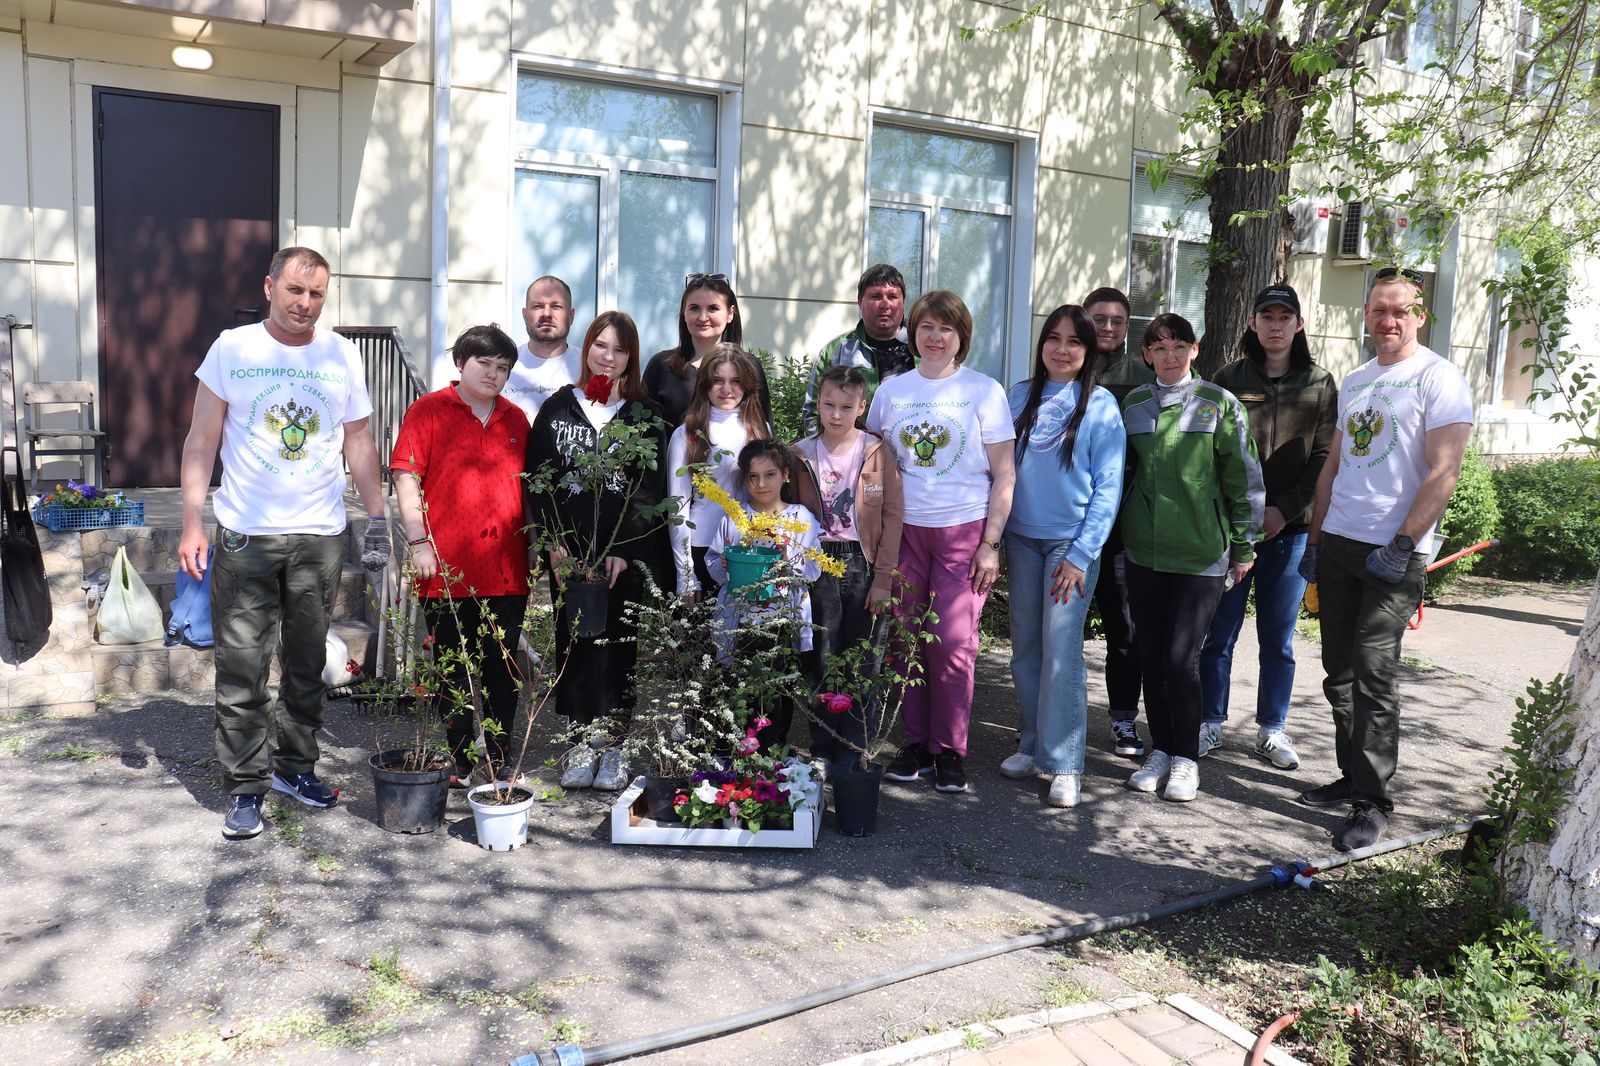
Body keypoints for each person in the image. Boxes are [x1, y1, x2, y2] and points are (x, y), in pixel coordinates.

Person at [177, 246, 389, 840]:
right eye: (295, 290)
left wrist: (376, 518)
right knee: (242, 665)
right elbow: (200, 440)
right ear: (269, 286)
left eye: (316, 294)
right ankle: (245, 788)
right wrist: (193, 521)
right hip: (246, 532)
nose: (304, 303)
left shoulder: (341, 354)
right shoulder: (233, 348)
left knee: (305, 664)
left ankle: (294, 769)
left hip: (320, 535)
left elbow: (361, 442)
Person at [1301, 267, 1473, 851]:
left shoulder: (1440, 377)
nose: (1388, 320)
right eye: (1379, 310)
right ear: (1367, 314)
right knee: (1339, 673)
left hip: (1395, 550)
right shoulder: (1356, 380)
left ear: (1420, 314)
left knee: (1374, 672)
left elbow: (1444, 470)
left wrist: (1403, 544)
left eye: (1400, 310)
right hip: (1341, 543)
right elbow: (1335, 466)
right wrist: (1315, 539)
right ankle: (1353, 775)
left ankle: (1372, 801)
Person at [867, 290, 1016, 795]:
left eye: (945, 329)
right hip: (904, 534)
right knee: (905, 641)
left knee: (953, 644)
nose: (934, 337)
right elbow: (872, 469)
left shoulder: (984, 391)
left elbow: (1004, 475)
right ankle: (915, 746)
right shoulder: (892, 392)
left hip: (963, 533)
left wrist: (990, 543)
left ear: (961, 338)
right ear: (912, 333)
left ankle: (949, 751)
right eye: (926, 326)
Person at [1119, 313, 1263, 803]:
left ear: (1195, 349)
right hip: (1145, 552)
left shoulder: (1219, 404)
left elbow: (1242, 479)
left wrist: (1244, 545)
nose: (1169, 356)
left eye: (1178, 346)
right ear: (1146, 355)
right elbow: (1122, 473)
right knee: (1153, 656)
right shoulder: (1134, 405)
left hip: (1202, 553)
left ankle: (1186, 758)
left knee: (1182, 660)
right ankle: (1160, 748)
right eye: (1159, 348)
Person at [526, 311, 670, 791]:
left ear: (632, 357)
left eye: (619, 349)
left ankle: (615, 748)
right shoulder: (558, 409)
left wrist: (627, 548)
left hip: (620, 555)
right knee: (575, 642)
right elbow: (537, 483)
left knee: (618, 647)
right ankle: (579, 743)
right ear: (586, 348)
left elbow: (650, 491)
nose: (608, 357)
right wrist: (551, 544)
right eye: (600, 346)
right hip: (570, 555)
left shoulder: (643, 418)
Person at [1198, 285, 1338, 771]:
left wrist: (1282, 510)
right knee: (1219, 633)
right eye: (1267, 316)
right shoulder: (1227, 378)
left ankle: (1271, 730)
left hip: (1291, 531)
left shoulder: (1319, 382)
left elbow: (1325, 458)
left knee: (1277, 639)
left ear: (1298, 324)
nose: (1275, 325)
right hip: (1234, 531)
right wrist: (1244, 513)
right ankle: (1209, 721)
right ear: (1253, 323)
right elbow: (1212, 451)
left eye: (1285, 317)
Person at [390, 324, 531, 787]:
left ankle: (498, 755)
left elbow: (530, 491)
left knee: (503, 666)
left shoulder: (516, 420)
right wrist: (418, 541)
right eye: (484, 364)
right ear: (461, 364)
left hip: (507, 569)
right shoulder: (428, 411)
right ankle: (460, 759)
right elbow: (406, 479)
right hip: (445, 567)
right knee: (452, 666)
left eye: (503, 368)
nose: (493, 374)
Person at [1002, 305, 1126, 809]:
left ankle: (1065, 762)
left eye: (1074, 341)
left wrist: (1081, 552)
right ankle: (1032, 743)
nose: (1062, 349)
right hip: (1021, 540)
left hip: (1069, 547)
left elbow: (1109, 487)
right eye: (1053, 339)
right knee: (1027, 648)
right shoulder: (1017, 396)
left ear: (1089, 349)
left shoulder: (1099, 406)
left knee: (1061, 652)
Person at [788, 364, 905, 767]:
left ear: (862, 406)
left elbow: (892, 517)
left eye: (845, 406)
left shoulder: (877, 452)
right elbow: (787, 514)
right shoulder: (799, 454)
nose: (836, 415)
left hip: (863, 562)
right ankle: (823, 748)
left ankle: (857, 748)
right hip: (816, 562)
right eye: (828, 405)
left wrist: (884, 580)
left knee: (863, 659)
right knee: (820, 655)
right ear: (817, 404)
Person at [706, 439, 823, 751]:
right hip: (740, 620)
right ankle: (741, 753)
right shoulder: (733, 517)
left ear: (785, 475)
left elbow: (814, 569)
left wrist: (790, 561)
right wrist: (725, 566)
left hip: (782, 621)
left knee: (776, 689)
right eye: (753, 476)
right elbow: (713, 564)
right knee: (740, 685)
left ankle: (772, 755)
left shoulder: (801, 519)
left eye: (770, 475)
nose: (761, 484)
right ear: (745, 479)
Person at [1083, 286, 1152, 760]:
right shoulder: (1063, 367)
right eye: (1099, 318)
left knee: (1124, 631)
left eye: (1117, 320)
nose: (1108, 327)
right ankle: (1039, 721)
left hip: (1123, 525)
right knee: (1056, 633)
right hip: (1066, 521)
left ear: (1128, 327)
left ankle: (1124, 719)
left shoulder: (1143, 379)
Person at [666, 345, 773, 602]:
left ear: (747, 384)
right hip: (701, 549)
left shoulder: (760, 429)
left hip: (751, 548)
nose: (727, 389)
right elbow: (677, 508)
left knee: (747, 640)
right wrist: (686, 574)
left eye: (735, 381)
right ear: (704, 384)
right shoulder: (686, 434)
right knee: (700, 640)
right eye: (718, 381)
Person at [642, 273, 770, 428]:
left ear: (730, 314)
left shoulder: (749, 367)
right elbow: (643, 431)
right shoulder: (662, 366)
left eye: (713, 308)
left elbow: (763, 433)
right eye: (694, 308)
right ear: (684, 313)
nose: (703, 317)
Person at [798, 264, 916, 431]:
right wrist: (824, 454)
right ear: (860, 302)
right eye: (875, 296)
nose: (885, 304)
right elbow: (812, 410)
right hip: (851, 455)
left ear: (903, 302)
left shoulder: (922, 349)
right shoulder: (837, 351)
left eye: (892, 296)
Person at [503, 276, 580, 422]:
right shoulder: (503, 365)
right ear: (525, 315)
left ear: (571, 316)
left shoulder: (589, 368)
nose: (546, 314)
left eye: (556, 306)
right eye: (537, 306)